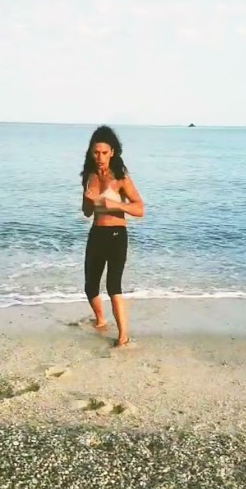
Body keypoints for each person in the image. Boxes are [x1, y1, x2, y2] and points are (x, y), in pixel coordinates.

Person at [80, 125, 144, 347]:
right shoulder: (90, 177)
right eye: (96, 152)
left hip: (117, 234)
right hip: (96, 233)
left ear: (112, 152)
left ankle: (123, 336)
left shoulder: (121, 178)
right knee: (90, 286)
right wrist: (89, 201)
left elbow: (140, 209)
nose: (99, 157)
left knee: (113, 286)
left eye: (104, 153)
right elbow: (87, 212)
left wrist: (117, 205)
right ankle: (100, 321)